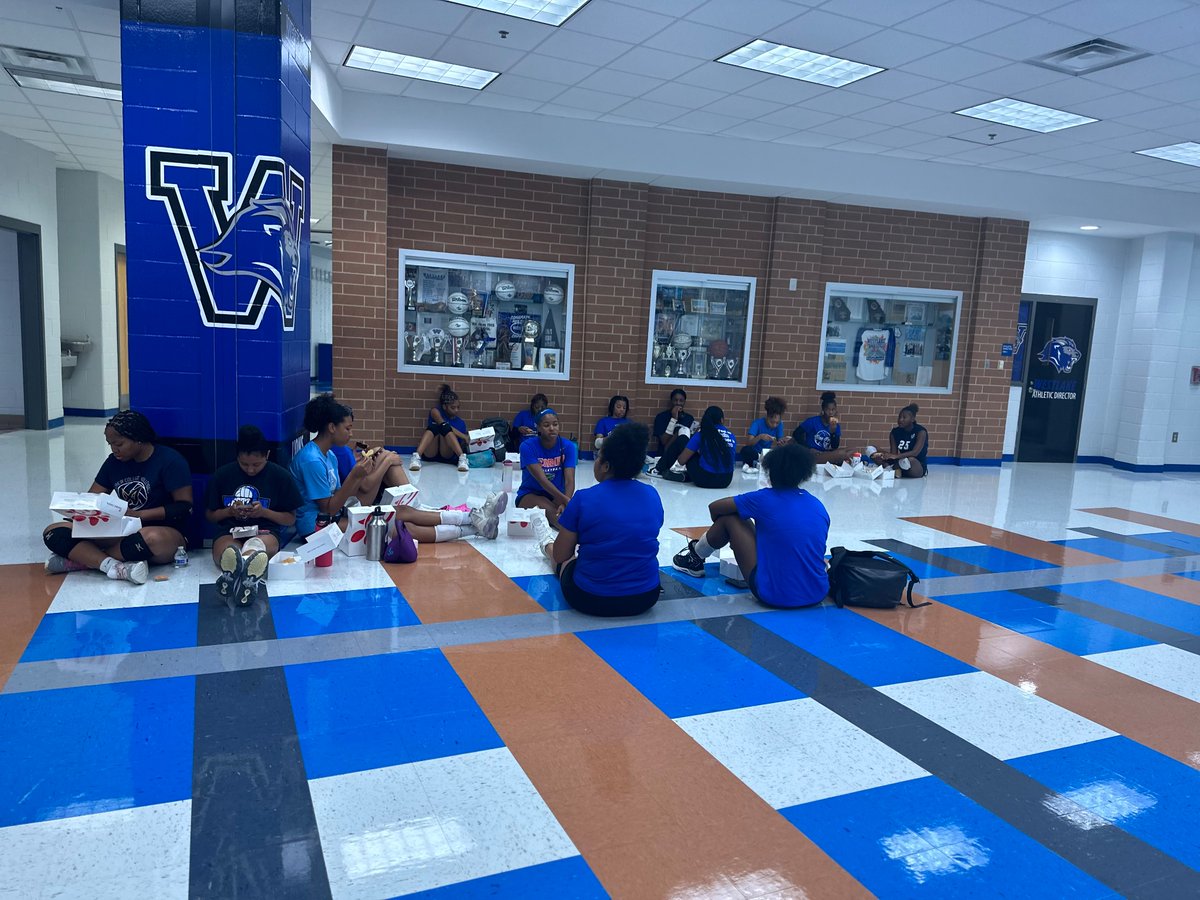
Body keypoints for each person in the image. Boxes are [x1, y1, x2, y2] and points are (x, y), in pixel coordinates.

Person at [43, 410, 193, 585]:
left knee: (150, 539)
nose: (114, 450)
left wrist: (140, 515)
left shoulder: (170, 461)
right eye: (110, 444)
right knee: (53, 531)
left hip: (163, 531)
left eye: (119, 444)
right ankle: (112, 566)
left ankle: (84, 560)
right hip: (123, 528)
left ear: (138, 439)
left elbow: (184, 507)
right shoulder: (113, 463)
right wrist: (79, 511)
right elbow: (92, 497)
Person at [529, 422, 663, 617]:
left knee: (565, 561)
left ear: (606, 466)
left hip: (591, 598)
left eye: (599, 457)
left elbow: (561, 555)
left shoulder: (584, 499)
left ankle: (545, 542)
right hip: (646, 597)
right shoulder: (652, 495)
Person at [672, 443, 828, 608]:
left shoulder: (764, 498)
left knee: (731, 517)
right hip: (817, 592)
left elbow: (714, 507)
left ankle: (695, 556)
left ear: (771, 472)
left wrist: (723, 530)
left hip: (774, 595)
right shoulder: (817, 504)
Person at [205, 425, 302, 604]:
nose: (250, 470)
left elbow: (290, 518)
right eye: (244, 464)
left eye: (256, 465)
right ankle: (245, 577)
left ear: (267, 455)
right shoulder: (223, 475)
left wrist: (264, 512)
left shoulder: (280, 477)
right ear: (237, 457)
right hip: (229, 531)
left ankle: (237, 576)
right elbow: (210, 516)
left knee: (255, 545)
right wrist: (229, 511)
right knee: (228, 551)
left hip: (265, 531)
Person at [291, 394, 394, 537]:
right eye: (347, 429)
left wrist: (360, 476)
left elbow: (342, 497)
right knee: (390, 525)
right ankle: (436, 530)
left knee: (398, 513)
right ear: (332, 427)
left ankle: (437, 517)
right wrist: (354, 476)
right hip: (315, 527)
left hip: (334, 517)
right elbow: (328, 510)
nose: (351, 434)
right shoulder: (312, 460)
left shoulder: (330, 455)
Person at [516, 410, 577, 528]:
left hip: (558, 495)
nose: (552, 428)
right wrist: (566, 501)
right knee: (558, 517)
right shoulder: (527, 447)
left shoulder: (568, 446)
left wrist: (565, 502)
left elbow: (570, 480)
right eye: (546, 425)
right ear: (538, 427)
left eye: (555, 424)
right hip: (530, 494)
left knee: (573, 515)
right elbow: (542, 480)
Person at [659, 405, 736, 488]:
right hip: (726, 481)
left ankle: (659, 468)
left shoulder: (702, 434)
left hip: (704, 480)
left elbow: (681, 460)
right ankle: (685, 477)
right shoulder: (731, 435)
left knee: (682, 441)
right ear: (722, 420)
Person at [412, 384, 471, 472]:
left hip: (446, 454)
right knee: (437, 426)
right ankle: (416, 457)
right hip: (431, 452)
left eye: (458, 407)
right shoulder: (435, 412)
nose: (456, 410)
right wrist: (464, 436)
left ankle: (462, 459)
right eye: (453, 408)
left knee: (445, 428)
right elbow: (443, 423)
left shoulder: (460, 422)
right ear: (444, 406)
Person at [794, 391, 852, 464]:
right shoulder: (813, 421)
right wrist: (809, 449)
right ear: (823, 410)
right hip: (812, 454)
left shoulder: (835, 425)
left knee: (849, 451)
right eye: (828, 409)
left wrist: (833, 433)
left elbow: (835, 446)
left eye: (833, 410)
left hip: (826, 455)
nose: (831, 412)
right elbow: (796, 434)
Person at [874, 403, 929, 478]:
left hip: (916, 464)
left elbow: (915, 452)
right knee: (871, 450)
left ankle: (893, 469)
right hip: (900, 460)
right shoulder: (895, 432)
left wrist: (895, 456)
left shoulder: (921, 432)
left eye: (904, 417)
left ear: (912, 419)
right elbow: (893, 454)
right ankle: (892, 469)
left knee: (909, 460)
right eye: (899, 417)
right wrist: (882, 452)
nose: (900, 420)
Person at [739, 396, 787, 473]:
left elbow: (779, 441)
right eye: (772, 422)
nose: (774, 425)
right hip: (755, 453)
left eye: (777, 422)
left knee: (785, 451)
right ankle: (754, 464)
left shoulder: (780, 425)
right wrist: (760, 437)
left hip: (767, 453)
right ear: (767, 417)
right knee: (746, 450)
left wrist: (782, 442)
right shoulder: (757, 423)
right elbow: (748, 443)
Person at [651, 388, 694, 469]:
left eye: (681, 401)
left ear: (684, 402)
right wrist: (673, 419)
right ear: (671, 401)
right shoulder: (661, 417)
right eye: (675, 400)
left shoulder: (689, 418)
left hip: (681, 459)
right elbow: (664, 441)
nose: (678, 403)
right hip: (664, 455)